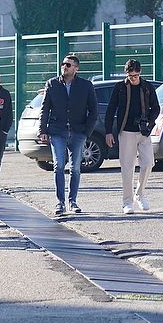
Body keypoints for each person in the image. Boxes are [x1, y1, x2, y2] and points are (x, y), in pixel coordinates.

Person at [38, 54, 98, 216]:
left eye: (68, 65)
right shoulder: (52, 84)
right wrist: (42, 131)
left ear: (76, 68)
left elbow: (93, 111)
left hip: (78, 132)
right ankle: (60, 202)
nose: (64, 67)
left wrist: (87, 132)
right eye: (63, 64)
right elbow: (45, 109)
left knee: (75, 168)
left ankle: (73, 201)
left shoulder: (85, 86)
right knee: (58, 166)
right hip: (57, 131)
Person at [104, 59, 160, 214]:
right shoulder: (120, 87)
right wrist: (109, 131)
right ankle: (127, 202)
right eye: (130, 75)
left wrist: (149, 123)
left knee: (148, 163)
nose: (133, 78)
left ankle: (140, 194)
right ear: (126, 74)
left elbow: (156, 108)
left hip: (144, 131)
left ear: (140, 73)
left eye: (135, 75)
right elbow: (111, 110)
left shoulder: (147, 86)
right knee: (127, 168)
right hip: (126, 131)